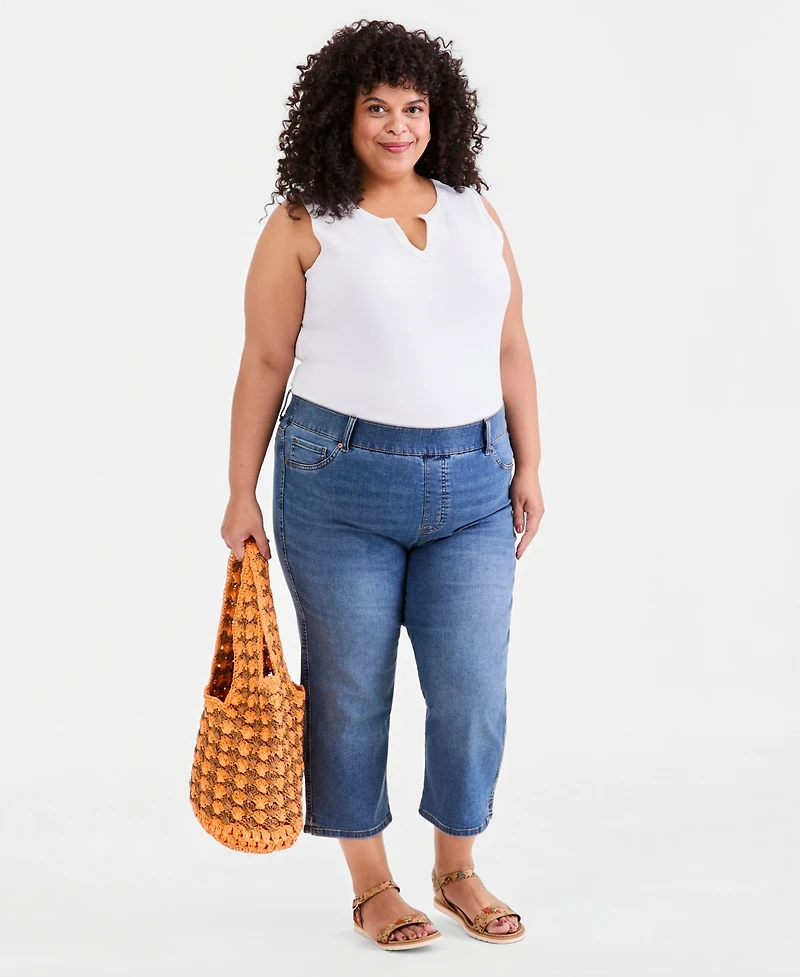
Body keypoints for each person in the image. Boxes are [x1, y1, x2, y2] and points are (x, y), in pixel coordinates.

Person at [220, 19, 544, 950]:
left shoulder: (475, 211)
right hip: (338, 485)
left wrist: (531, 461)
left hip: (475, 484)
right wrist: (239, 490)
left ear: (439, 116)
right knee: (351, 690)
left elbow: (511, 344)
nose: (398, 125)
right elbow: (265, 360)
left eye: (414, 106)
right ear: (341, 115)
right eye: (376, 107)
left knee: (472, 688)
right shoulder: (302, 223)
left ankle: (458, 868)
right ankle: (372, 883)